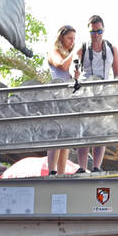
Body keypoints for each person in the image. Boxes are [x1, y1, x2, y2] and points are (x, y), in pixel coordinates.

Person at [74, 15, 118, 172]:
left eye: (99, 31)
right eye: (93, 32)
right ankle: (81, 167)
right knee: (84, 131)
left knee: (101, 132)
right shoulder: (83, 48)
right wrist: (74, 71)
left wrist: (116, 95)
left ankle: (96, 166)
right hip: (86, 94)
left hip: (104, 94)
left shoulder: (111, 48)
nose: (96, 35)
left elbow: (117, 73)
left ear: (103, 30)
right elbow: (74, 64)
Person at [46, 26, 78, 176]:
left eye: (74, 39)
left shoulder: (70, 54)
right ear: (61, 38)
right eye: (69, 38)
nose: (72, 42)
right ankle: (52, 170)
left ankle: (61, 172)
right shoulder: (54, 52)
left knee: (66, 139)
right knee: (56, 136)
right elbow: (62, 65)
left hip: (69, 97)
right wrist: (75, 53)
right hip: (57, 97)